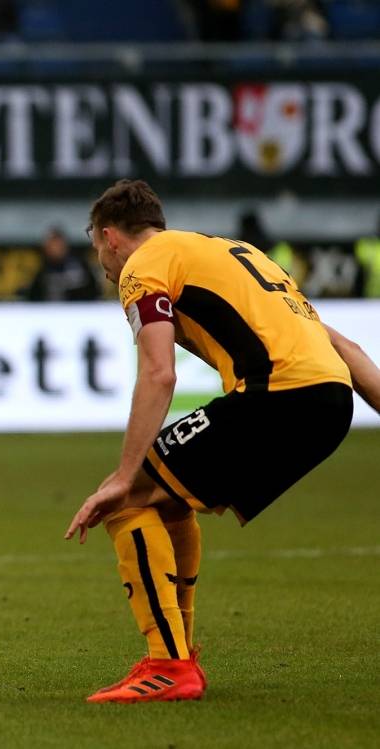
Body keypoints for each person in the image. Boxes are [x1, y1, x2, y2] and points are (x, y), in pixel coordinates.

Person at [64, 179, 380, 703]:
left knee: (126, 499)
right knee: (167, 500)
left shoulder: (143, 266)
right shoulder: (235, 254)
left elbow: (160, 372)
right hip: (331, 401)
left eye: (96, 245)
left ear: (109, 236)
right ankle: (180, 654)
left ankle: (169, 665)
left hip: (275, 396)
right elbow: (344, 347)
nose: (101, 260)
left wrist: (122, 475)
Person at [23, 225, 99, 302]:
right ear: (46, 248)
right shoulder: (41, 270)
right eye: (52, 245)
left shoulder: (80, 266)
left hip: (79, 307)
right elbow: (33, 297)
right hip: (51, 308)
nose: (56, 248)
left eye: (58, 244)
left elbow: (93, 292)